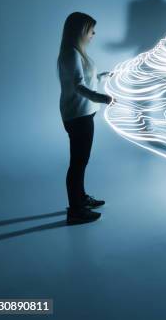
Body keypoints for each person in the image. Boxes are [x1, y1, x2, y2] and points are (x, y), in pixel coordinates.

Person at [58, 12, 114, 225]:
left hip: (82, 113)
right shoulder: (71, 53)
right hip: (78, 116)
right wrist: (103, 98)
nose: (94, 33)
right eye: (91, 29)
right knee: (78, 163)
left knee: (81, 161)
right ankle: (75, 210)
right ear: (81, 31)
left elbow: (84, 80)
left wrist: (101, 77)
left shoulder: (76, 53)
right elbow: (78, 87)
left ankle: (80, 199)